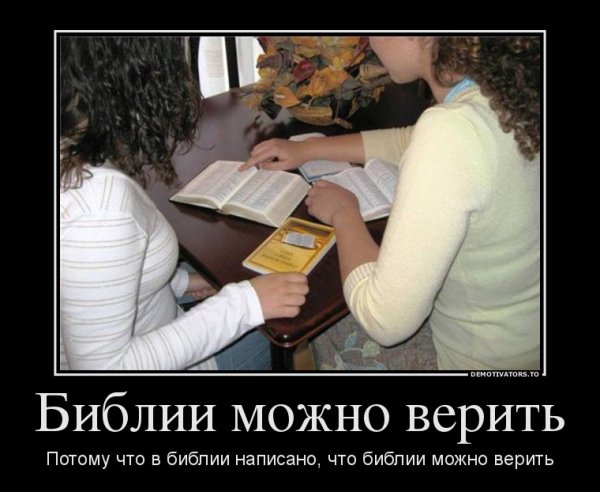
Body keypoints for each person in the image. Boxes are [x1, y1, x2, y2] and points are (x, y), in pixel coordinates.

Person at [240, 36, 540, 370]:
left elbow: (383, 321)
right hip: (526, 338)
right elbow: (406, 140)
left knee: (320, 318)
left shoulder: (451, 132)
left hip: (475, 360)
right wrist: (306, 149)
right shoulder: (506, 92)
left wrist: (344, 213)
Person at [60, 37, 309, 371]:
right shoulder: (98, 208)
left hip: (152, 312)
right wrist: (246, 304)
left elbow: (97, 284)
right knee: (295, 326)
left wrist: (181, 283)